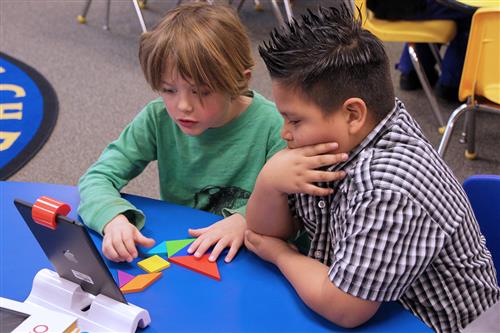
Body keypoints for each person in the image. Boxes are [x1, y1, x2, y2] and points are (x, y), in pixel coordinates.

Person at [245, 5, 499, 333]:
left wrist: (281, 255)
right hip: (375, 309)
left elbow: (344, 307)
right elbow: (265, 231)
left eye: (294, 120)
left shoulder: (386, 185)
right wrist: (269, 182)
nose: (284, 132)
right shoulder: (334, 139)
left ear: (353, 114)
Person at [78, 3, 285, 264]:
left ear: (240, 80)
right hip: (186, 251)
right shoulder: (158, 118)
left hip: (252, 257)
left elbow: (296, 207)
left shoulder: (275, 127)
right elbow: (97, 177)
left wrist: (245, 221)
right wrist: (112, 218)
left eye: (201, 91)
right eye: (169, 90)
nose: (183, 106)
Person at [366, 0, 473, 102]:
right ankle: (452, 82)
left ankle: (415, 71)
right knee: (471, 11)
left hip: (382, 5)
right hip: (407, 6)